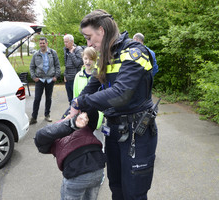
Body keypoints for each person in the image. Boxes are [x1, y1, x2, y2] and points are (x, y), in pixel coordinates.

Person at [69, 9, 158, 200]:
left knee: (133, 193)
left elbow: (121, 94)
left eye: (89, 37)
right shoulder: (106, 56)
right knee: (116, 187)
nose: (88, 43)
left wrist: (82, 102)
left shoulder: (134, 52)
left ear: (101, 30)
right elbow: (91, 87)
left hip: (137, 134)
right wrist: (75, 107)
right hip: (113, 131)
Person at [34, 108, 106, 200]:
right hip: (96, 167)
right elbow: (40, 136)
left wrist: (82, 105)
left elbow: (93, 112)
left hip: (84, 169)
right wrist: (71, 123)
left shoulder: (84, 124)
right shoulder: (56, 131)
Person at [29, 37, 61, 124]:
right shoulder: (36, 54)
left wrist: (56, 76)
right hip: (40, 80)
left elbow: (57, 65)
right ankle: (34, 117)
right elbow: (31, 67)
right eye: (40, 43)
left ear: (47, 43)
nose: (42, 45)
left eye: (43, 43)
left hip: (50, 80)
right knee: (37, 99)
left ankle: (47, 115)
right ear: (39, 44)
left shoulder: (52, 53)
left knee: (48, 98)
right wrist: (33, 77)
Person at [73, 47, 103, 130]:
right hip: (82, 115)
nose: (88, 61)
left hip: (96, 115)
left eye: (91, 59)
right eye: (85, 58)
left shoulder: (99, 76)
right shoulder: (78, 76)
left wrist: (100, 117)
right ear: (82, 58)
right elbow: (75, 96)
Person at [63, 34, 84, 103]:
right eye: (64, 42)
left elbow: (78, 63)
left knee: (76, 100)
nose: (65, 44)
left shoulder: (78, 49)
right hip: (68, 79)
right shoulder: (66, 50)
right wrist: (65, 75)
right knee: (70, 100)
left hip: (75, 79)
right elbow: (66, 64)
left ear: (72, 42)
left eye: (67, 42)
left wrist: (72, 53)